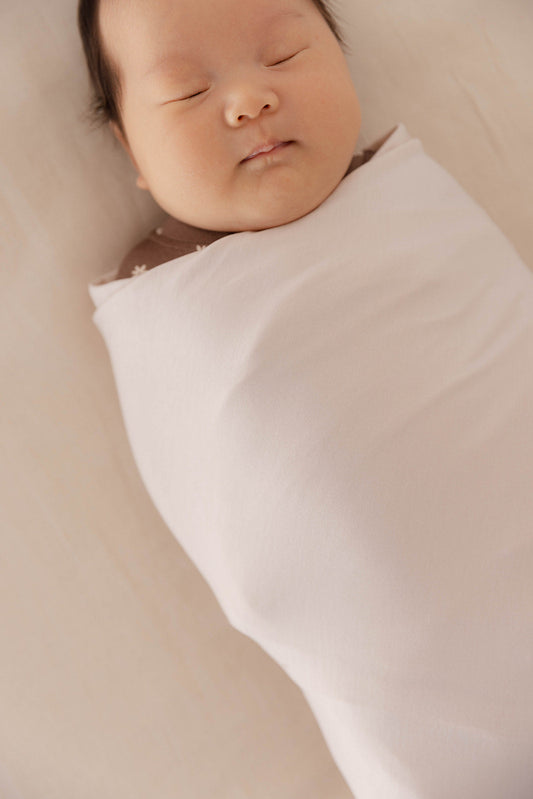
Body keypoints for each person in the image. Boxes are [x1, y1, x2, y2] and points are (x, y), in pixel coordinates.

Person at [78, 0, 387, 282]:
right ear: (133, 151)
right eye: (189, 91)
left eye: (283, 54)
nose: (249, 103)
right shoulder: (151, 287)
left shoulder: (397, 182)